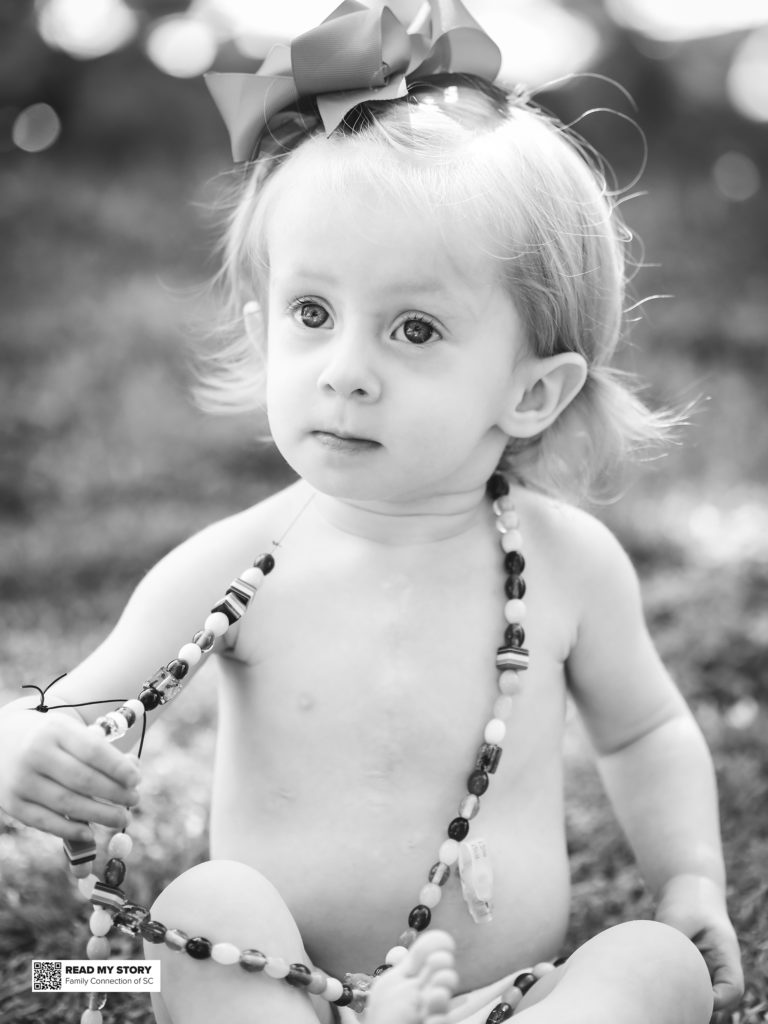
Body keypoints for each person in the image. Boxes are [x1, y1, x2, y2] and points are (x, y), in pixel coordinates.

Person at [0, 3, 744, 1023]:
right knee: (202, 907)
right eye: (313, 315)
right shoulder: (232, 561)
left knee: (659, 964)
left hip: (496, 996)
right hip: (276, 979)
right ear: (266, 333)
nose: (346, 371)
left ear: (531, 392)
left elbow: (648, 731)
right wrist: (22, 744)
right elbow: (84, 711)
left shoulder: (571, 565)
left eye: (415, 327)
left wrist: (692, 880)